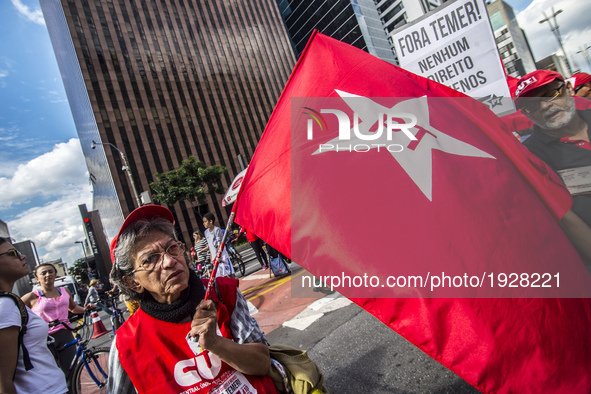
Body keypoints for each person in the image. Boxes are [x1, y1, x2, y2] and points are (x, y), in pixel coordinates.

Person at [107, 205, 277, 393]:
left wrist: (216, 343)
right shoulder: (126, 345)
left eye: (172, 248)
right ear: (132, 282)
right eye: (150, 259)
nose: (170, 261)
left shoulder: (222, 292)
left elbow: (262, 362)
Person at [514, 69, 591, 263]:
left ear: (568, 88)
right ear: (526, 114)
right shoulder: (531, 156)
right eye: (532, 105)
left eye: (550, 94)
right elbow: (565, 217)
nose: (545, 105)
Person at [0, 237, 68, 393]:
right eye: (12, 253)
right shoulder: (5, 306)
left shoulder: (10, 301)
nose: (22, 256)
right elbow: (3, 382)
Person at [22, 263, 88, 375]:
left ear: (55, 274)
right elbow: (15, 312)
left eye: (51, 271)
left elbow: (72, 308)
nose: (48, 274)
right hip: (45, 338)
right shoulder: (32, 296)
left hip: (66, 334)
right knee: (52, 372)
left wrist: (85, 309)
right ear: (37, 278)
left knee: (72, 370)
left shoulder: (64, 291)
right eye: (44, 273)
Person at [202, 213, 235, 277]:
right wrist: (212, 257)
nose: (204, 223)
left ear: (211, 221)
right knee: (221, 276)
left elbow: (219, 244)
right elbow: (210, 246)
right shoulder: (206, 233)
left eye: (205, 221)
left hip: (222, 256)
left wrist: (218, 256)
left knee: (228, 273)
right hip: (214, 257)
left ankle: (236, 286)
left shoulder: (217, 230)